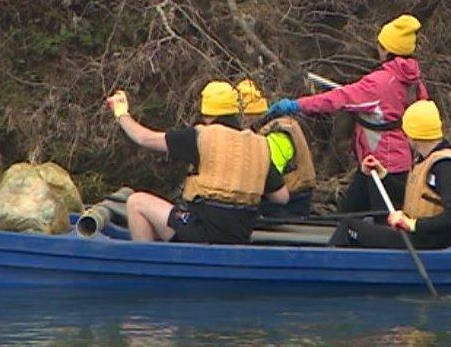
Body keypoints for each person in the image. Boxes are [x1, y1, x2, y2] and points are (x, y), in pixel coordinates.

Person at [265, 14, 429, 214]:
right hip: (391, 162)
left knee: (379, 221)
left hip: (384, 165)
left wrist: (296, 105)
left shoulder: (379, 83)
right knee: (349, 212)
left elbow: (337, 99)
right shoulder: (413, 81)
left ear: (387, 49)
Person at [106, 81, 289, 243]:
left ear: (207, 115)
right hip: (240, 234)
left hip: (203, 232)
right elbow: (282, 197)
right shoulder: (258, 145)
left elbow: (144, 138)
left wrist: (121, 113)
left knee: (136, 203)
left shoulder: (201, 136)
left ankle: (147, 271)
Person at [328, 100, 451, 250]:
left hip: (428, 240)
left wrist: (411, 224)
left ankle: (325, 268)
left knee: (348, 227)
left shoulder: (444, 166)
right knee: (362, 223)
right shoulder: (427, 158)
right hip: (423, 234)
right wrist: (383, 175)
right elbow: (417, 195)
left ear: (413, 136)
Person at [236, 79, 316, 218]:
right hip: (282, 198)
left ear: (246, 115)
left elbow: (269, 178)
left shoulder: (277, 134)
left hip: (289, 204)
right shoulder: (268, 128)